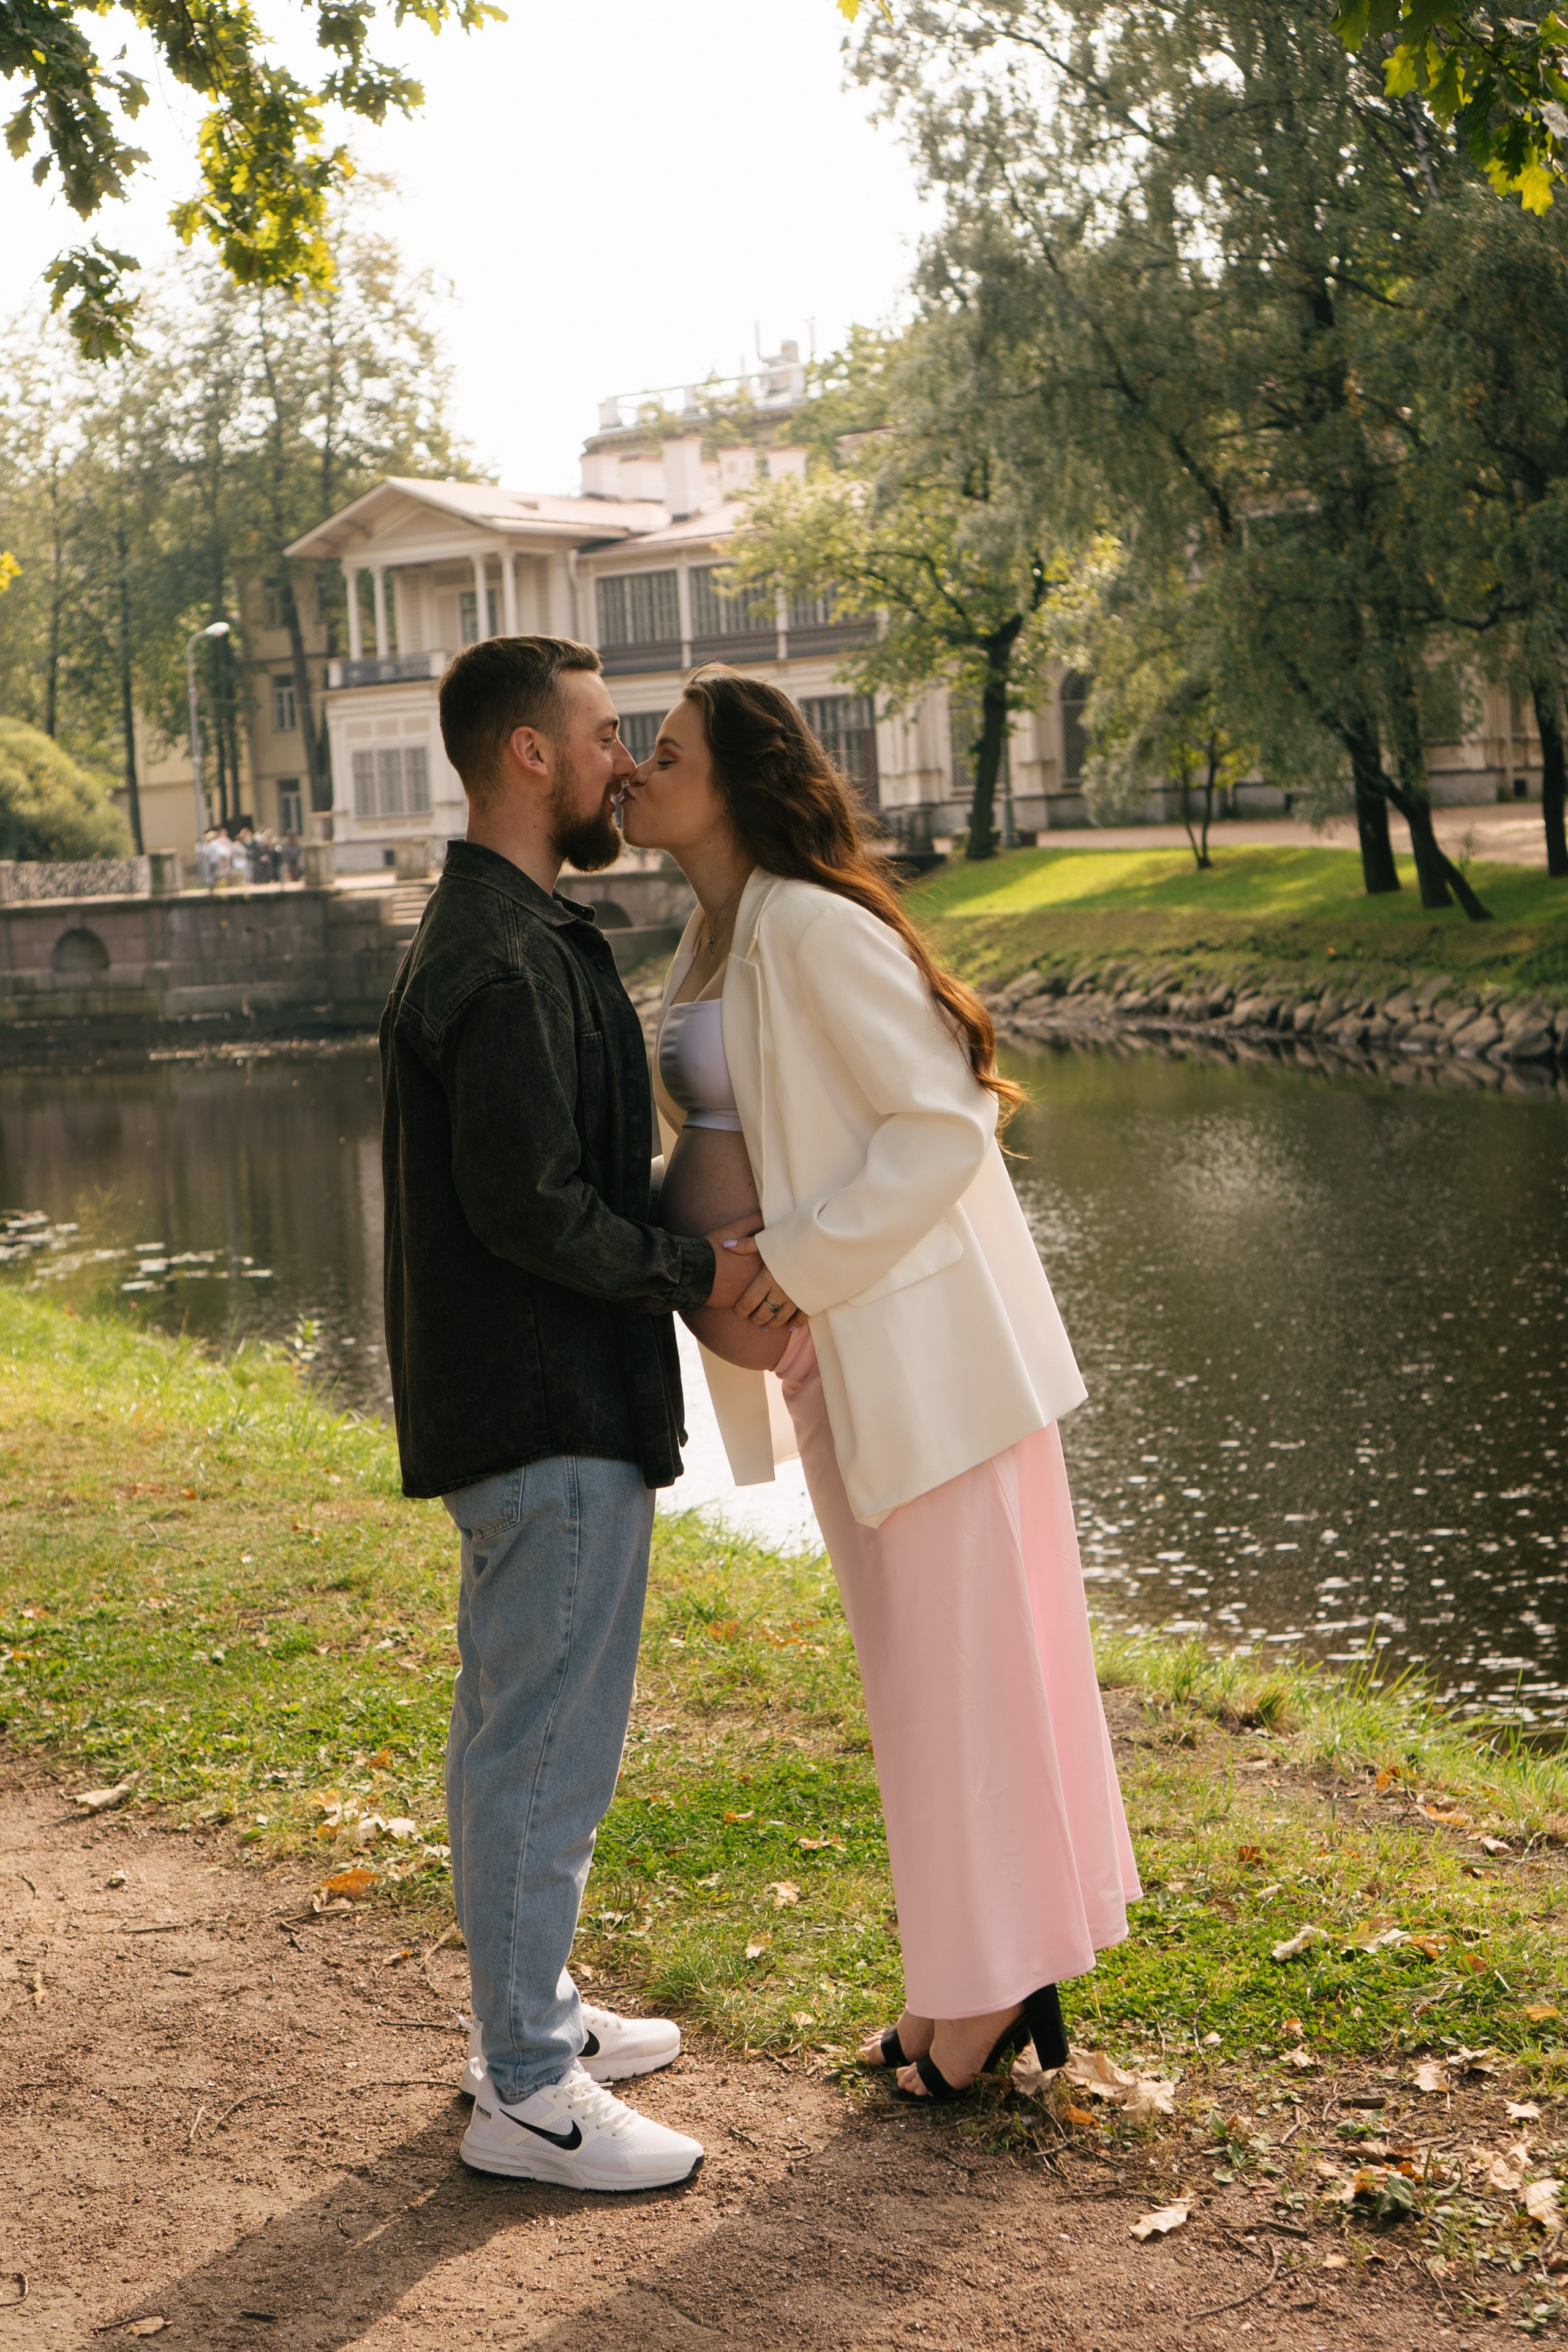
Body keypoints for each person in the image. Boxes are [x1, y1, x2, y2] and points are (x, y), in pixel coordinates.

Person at [621, 667, 1141, 2102]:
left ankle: (982, 1994)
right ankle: (963, 1974)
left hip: (919, 1358)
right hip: (835, 1358)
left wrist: (804, 1254)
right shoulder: (718, 923)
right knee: (922, 1683)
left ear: (735, 778)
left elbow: (943, 1118)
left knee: (961, 1679)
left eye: (662, 754)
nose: (635, 772)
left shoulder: (809, 920)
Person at [379, 634, 763, 2189]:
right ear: (530, 755)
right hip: (542, 1414)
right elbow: (529, 1208)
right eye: (608, 734)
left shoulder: (522, 930)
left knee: (521, 1739)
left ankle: (524, 2022)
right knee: (540, 1749)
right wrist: (696, 1268)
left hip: (547, 1405)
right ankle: (529, 2092)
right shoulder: (495, 954)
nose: (625, 761)